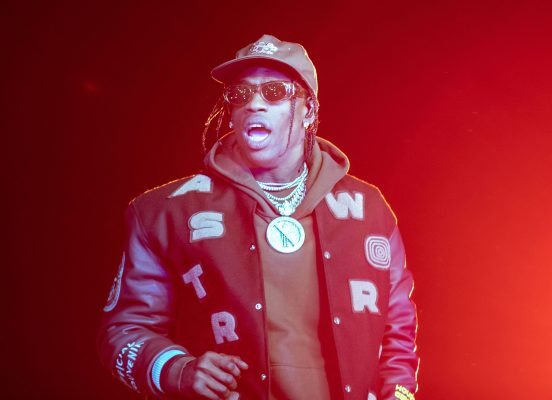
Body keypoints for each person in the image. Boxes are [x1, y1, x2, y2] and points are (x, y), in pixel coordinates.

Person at [97, 34, 418, 400]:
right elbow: (123, 331)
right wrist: (177, 369)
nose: (254, 104)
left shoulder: (368, 210)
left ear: (309, 110)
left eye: (275, 92)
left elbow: (399, 329)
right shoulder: (165, 212)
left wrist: (399, 395)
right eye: (240, 94)